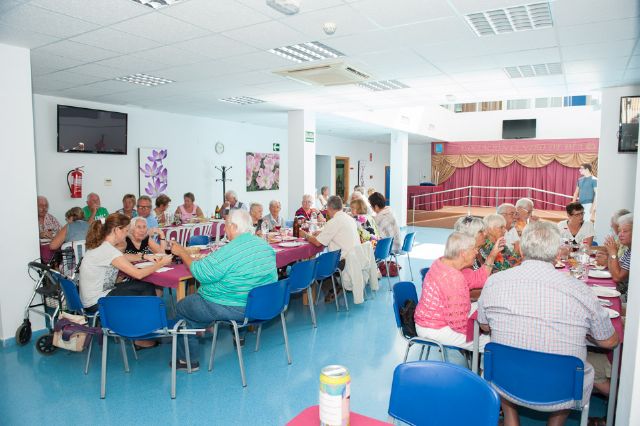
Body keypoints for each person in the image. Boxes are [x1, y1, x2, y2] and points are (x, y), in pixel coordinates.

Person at [477, 221, 618, 426]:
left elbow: (484, 326)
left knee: (503, 357)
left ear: (522, 249)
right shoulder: (580, 290)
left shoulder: (494, 282)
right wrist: (584, 333)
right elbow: (609, 341)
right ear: (557, 253)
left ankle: (510, 418)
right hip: (561, 388)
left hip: (505, 379)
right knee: (572, 366)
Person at [170, 209, 277, 371]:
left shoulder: (230, 250)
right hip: (263, 304)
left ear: (233, 226)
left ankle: (187, 360)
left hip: (238, 307)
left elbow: (200, 273)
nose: (224, 229)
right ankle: (231, 334)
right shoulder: (264, 245)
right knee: (228, 292)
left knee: (183, 307)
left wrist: (182, 252)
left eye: (226, 225)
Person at [79, 213, 173, 348]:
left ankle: (146, 331)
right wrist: (160, 263)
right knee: (145, 289)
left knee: (145, 287)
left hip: (94, 297)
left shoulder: (102, 246)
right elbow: (138, 274)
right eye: (126, 230)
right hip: (97, 302)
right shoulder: (108, 250)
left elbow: (122, 257)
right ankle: (143, 335)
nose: (126, 234)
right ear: (117, 230)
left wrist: (145, 256)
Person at [414, 232, 503, 351]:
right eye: (473, 249)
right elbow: (458, 324)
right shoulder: (453, 278)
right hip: (435, 328)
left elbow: (479, 278)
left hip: (430, 320)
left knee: (484, 307)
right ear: (463, 253)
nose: (476, 252)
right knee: (491, 341)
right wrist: (484, 329)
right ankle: (480, 363)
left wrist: (492, 255)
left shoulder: (443, 262)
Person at [301, 196, 359, 302]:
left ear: (330, 208)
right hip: (354, 256)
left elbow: (317, 243)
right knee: (322, 260)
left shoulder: (335, 221)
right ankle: (334, 286)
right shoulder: (348, 218)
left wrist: (305, 235)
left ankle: (333, 288)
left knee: (315, 266)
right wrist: (322, 232)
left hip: (343, 260)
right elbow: (336, 232)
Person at [604, 213, 632, 296]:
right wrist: (611, 253)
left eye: (625, 231)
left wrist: (613, 253)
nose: (620, 234)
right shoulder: (629, 250)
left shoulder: (635, 253)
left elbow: (617, 277)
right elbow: (614, 269)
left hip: (627, 299)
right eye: (619, 231)